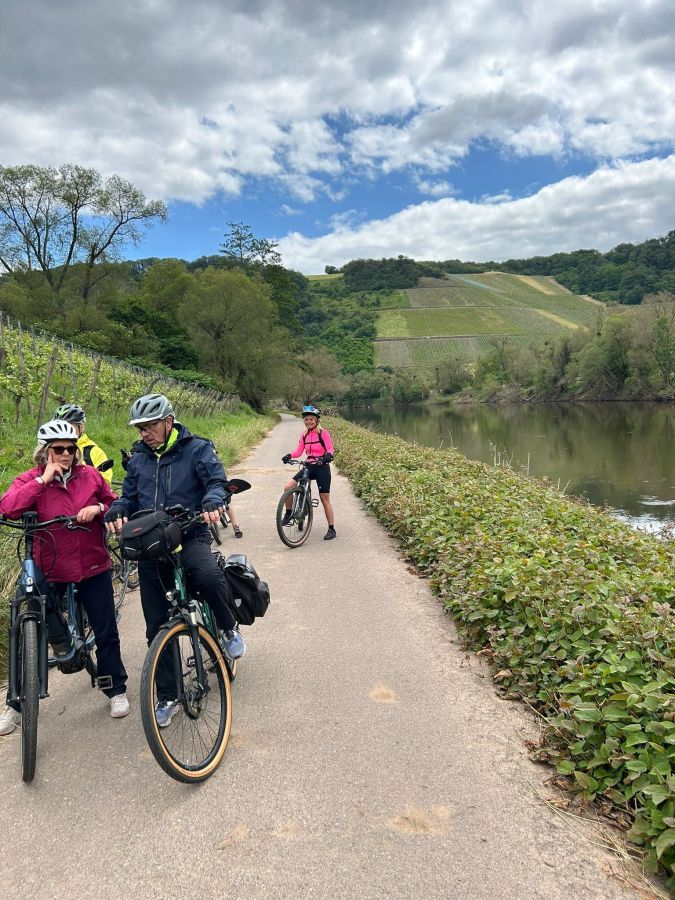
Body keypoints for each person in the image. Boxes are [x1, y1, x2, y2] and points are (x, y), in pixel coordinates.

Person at [103, 393, 245, 728]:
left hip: (189, 532)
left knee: (207, 576)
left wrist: (213, 501)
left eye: (150, 426)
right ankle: (168, 695)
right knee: (156, 626)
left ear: (169, 422)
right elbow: (129, 497)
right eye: (140, 428)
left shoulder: (197, 449)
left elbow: (216, 482)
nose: (144, 434)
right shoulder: (138, 458)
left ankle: (228, 627)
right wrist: (118, 509)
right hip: (152, 544)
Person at [0, 420, 129, 735]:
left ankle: (115, 689)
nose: (67, 454)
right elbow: (8, 507)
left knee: (106, 630)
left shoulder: (90, 476)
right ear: (45, 452)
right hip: (50, 567)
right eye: (59, 449)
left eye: (71, 448)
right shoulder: (30, 479)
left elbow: (114, 503)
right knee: (29, 622)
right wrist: (42, 481)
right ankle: (15, 704)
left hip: (91, 565)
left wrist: (98, 508)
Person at [281, 405, 336, 540]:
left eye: (311, 419)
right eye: (306, 419)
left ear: (317, 420)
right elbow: (299, 451)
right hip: (309, 466)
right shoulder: (304, 435)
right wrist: (289, 455)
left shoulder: (323, 433)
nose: (309, 421)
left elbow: (330, 448)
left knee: (325, 499)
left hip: (322, 466)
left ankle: (331, 529)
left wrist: (328, 456)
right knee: (287, 487)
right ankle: (288, 513)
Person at [53, 403, 113, 485]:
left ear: (81, 428)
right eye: (60, 426)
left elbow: (105, 483)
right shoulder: (50, 449)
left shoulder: (94, 452)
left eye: (69, 426)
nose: (64, 430)